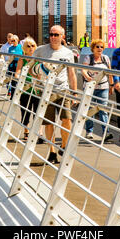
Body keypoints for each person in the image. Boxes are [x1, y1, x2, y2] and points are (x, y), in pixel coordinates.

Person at [33, 25, 77, 164]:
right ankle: (52, 152)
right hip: (47, 91)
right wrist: (38, 73)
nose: (52, 37)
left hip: (63, 90)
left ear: (62, 37)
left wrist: (74, 93)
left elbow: (72, 73)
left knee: (67, 120)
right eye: (51, 34)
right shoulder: (40, 50)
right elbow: (31, 68)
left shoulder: (68, 53)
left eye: (56, 35)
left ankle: (64, 145)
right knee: (49, 123)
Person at [81, 39, 114, 142]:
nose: (100, 49)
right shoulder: (88, 58)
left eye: (101, 47)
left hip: (103, 87)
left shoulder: (106, 58)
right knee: (90, 109)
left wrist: (111, 84)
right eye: (97, 47)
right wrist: (88, 78)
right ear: (93, 48)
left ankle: (106, 132)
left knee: (103, 110)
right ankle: (89, 131)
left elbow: (109, 72)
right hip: (90, 87)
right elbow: (83, 69)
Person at [15, 37, 43, 142]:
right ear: (24, 48)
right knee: (25, 111)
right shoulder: (22, 59)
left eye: (32, 46)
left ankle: (39, 133)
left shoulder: (39, 59)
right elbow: (17, 71)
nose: (31, 48)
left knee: (38, 111)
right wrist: (18, 78)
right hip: (25, 89)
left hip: (37, 89)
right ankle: (26, 131)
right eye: (28, 46)